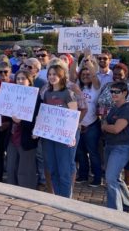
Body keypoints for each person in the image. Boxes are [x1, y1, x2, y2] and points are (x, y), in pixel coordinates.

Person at [39, 62, 80, 199]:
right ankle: (58, 197)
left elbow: (74, 115)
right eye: (49, 74)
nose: (52, 77)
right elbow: (45, 115)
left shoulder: (68, 93)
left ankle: (66, 198)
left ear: (62, 76)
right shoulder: (47, 94)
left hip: (65, 136)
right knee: (52, 168)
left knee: (64, 169)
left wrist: (72, 135)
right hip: (50, 135)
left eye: (55, 74)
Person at [102, 81, 129, 212]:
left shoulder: (127, 109)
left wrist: (105, 126)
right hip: (110, 145)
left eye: (117, 92)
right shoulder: (114, 107)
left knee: (110, 178)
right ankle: (128, 204)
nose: (113, 94)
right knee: (115, 177)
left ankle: (115, 211)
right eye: (112, 91)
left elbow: (116, 128)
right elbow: (106, 121)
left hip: (122, 147)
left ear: (125, 93)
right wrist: (107, 125)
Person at [7, 70, 41, 190]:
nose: (20, 81)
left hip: (27, 137)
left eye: (23, 79)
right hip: (12, 136)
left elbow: (38, 118)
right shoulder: (11, 94)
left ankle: (26, 193)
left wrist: (21, 120)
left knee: (25, 169)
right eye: (18, 79)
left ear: (29, 81)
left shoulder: (36, 96)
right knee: (11, 167)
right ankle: (12, 191)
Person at [74, 61, 103, 187]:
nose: (85, 76)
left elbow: (95, 76)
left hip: (92, 124)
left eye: (88, 74)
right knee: (80, 152)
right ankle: (83, 175)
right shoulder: (76, 86)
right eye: (83, 74)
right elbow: (71, 75)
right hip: (78, 124)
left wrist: (87, 59)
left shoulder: (96, 87)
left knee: (93, 153)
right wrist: (76, 59)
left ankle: (97, 177)